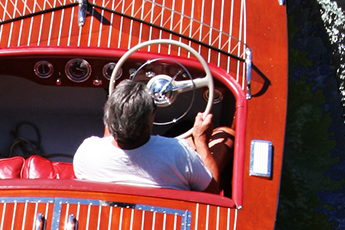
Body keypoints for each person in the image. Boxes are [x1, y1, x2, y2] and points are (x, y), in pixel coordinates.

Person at [73, 78, 233, 192]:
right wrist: (201, 140)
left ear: (108, 118)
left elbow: (108, 145)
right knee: (226, 133)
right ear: (149, 123)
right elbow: (212, 190)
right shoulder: (178, 153)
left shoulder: (86, 152)